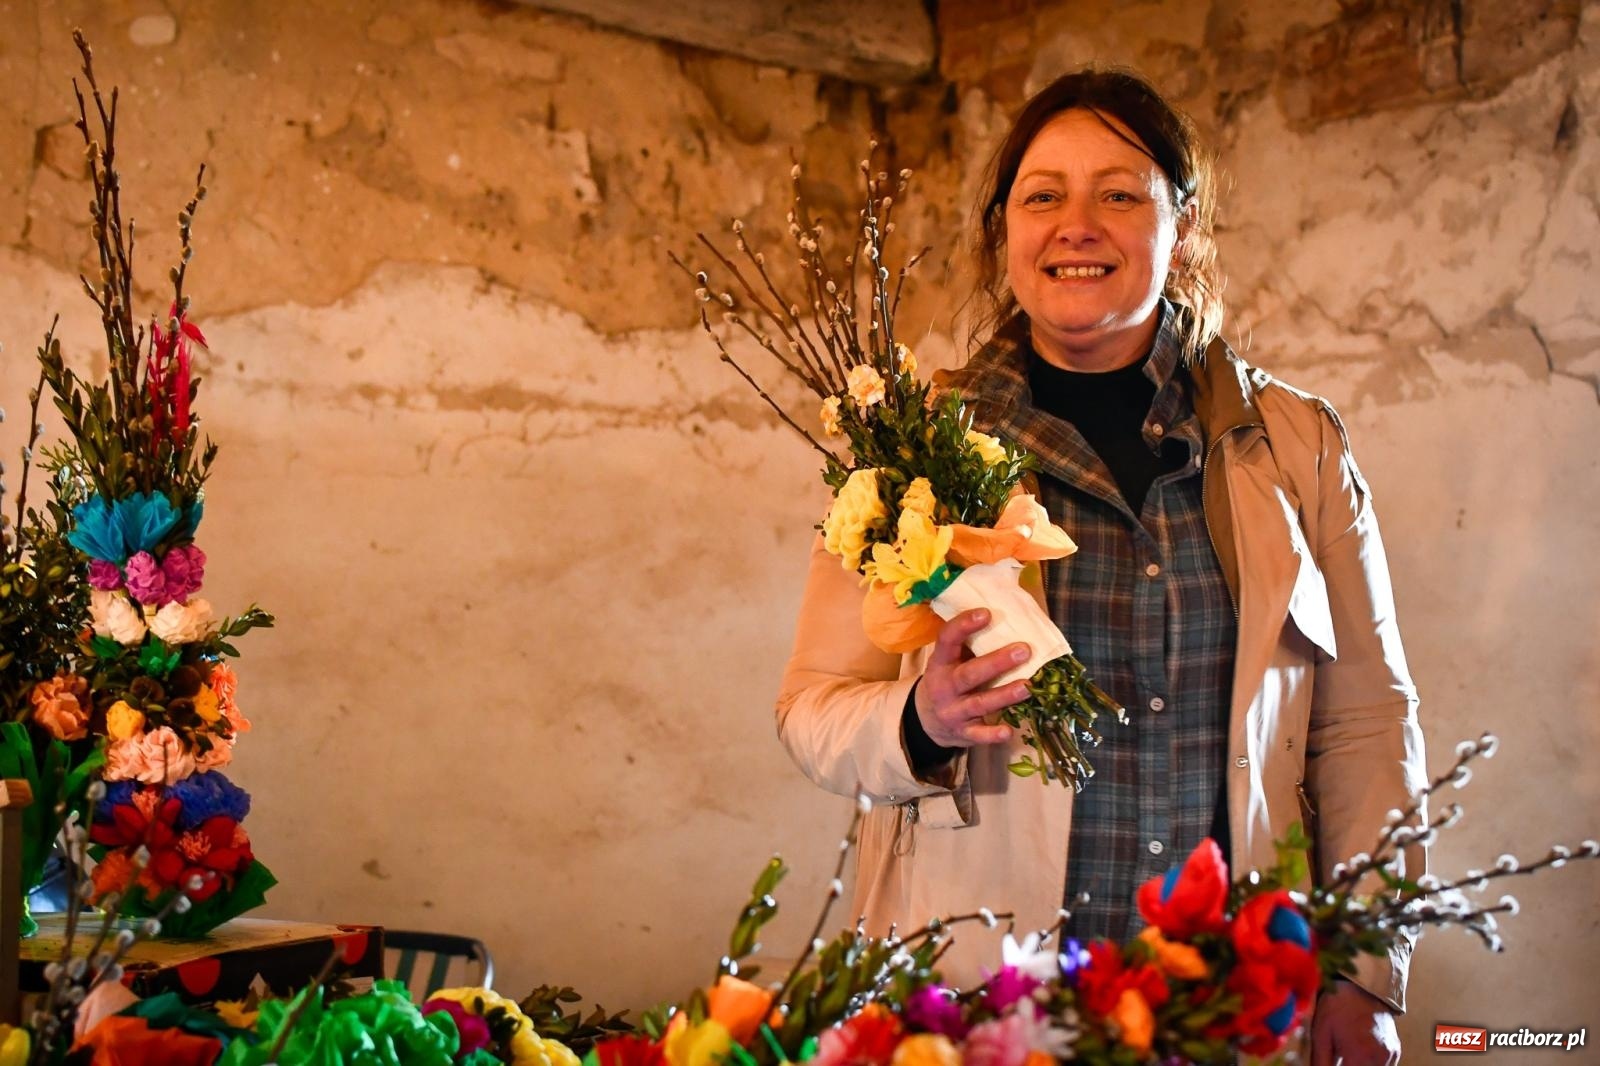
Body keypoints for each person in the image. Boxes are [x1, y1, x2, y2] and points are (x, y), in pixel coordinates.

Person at [775, 68, 1428, 1066]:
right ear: (1005, 231)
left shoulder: (1293, 447)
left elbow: (1367, 726)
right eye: (1043, 196)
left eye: (1119, 193)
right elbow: (812, 709)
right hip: (978, 1002)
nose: (1077, 224)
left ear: (1183, 220)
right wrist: (920, 720)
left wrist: (1363, 967)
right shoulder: (909, 448)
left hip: (1224, 1005)